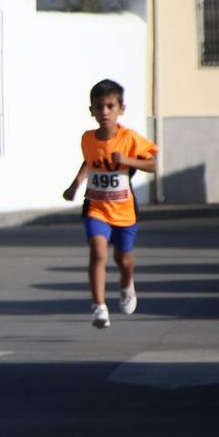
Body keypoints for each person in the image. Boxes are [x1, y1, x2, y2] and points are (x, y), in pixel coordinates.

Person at [62, 78, 158, 329]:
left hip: (125, 210)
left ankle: (127, 283)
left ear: (121, 109)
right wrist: (75, 185)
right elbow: (89, 162)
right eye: (98, 106)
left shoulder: (130, 138)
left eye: (110, 106)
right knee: (98, 253)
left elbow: (153, 164)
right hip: (96, 207)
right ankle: (99, 307)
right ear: (91, 110)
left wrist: (127, 160)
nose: (104, 112)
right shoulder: (88, 139)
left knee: (123, 258)